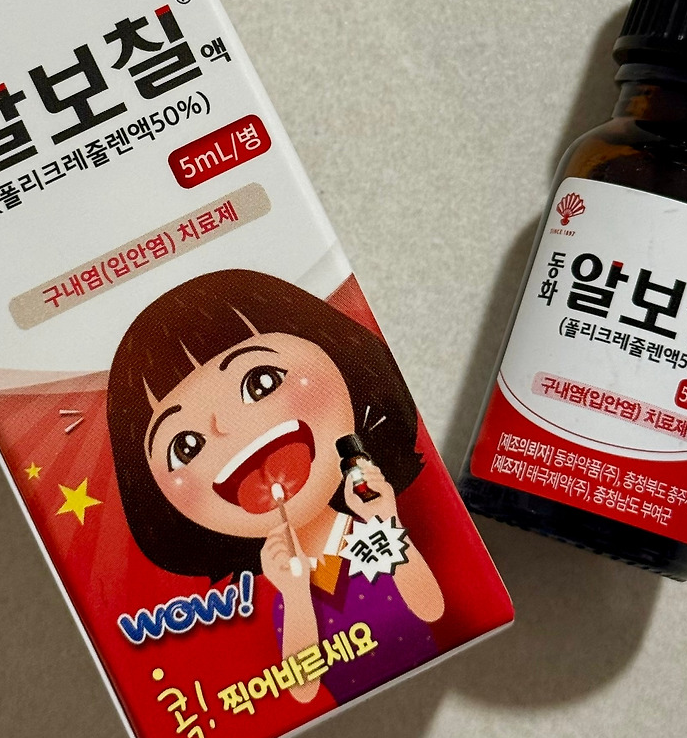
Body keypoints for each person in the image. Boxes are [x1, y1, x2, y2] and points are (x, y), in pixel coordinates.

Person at [108, 268, 445, 704]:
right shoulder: (287, 586)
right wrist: (295, 592)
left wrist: (384, 521)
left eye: (261, 381)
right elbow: (302, 689)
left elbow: (431, 609)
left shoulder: (369, 536)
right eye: (186, 446)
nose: (224, 426)